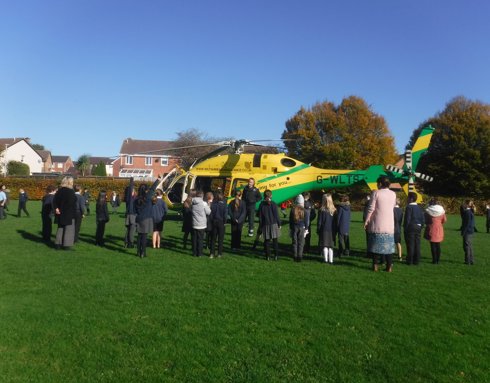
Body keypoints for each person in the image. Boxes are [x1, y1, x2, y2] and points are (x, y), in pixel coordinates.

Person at [364, 176, 396, 272]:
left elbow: (371, 208)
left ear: (380, 184)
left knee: (375, 246)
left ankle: (375, 265)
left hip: (377, 223)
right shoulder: (393, 194)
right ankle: (389, 266)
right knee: (389, 248)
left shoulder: (376, 193)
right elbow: (393, 206)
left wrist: (367, 220)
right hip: (389, 224)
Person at [135, 176, 161, 258]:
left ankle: (138, 252)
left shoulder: (137, 199)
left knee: (139, 236)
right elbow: (153, 188)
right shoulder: (148, 197)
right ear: (146, 190)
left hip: (139, 219)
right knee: (144, 237)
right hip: (146, 219)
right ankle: (143, 253)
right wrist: (158, 180)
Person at [53, 176, 77, 250]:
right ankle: (66, 245)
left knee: (60, 228)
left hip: (60, 212)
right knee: (69, 229)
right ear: (70, 183)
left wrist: (56, 208)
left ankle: (58, 243)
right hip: (68, 213)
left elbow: (54, 201)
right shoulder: (71, 191)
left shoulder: (59, 191)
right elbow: (72, 202)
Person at [258, 189, 281, 261]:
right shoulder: (273, 204)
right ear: (271, 195)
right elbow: (276, 215)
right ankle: (276, 255)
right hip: (274, 224)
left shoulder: (261, 204)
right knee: (275, 241)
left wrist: (261, 226)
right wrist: (279, 224)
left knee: (267, 241)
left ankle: (268, 256)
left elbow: (260, 216)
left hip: (265, 224)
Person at [403, 192, 425, 265]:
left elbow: (407, 219)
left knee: (411, 244)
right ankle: (417, 260)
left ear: (411, 199)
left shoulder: (409, 207)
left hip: (411, 226)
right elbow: (422, 218)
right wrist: (421, 226)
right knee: (417, 244)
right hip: (418, 226)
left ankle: (410, 261)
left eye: (408, 197)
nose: (407, 199)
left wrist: (405, 228)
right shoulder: (420, 207)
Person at [424, 198, 447, 264]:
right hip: (439, 228)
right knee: (438, 245)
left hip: (431, 228)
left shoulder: (428, 211)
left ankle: (434, 260)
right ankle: (438, 260)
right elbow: (444, 220)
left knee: (433, 245)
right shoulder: (441, 210)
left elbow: (425, 220)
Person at [317, 193, 336, 264]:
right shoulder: (334, 210)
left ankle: (325, 260)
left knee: (325, 245)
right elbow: (335, 222)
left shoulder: (321, 210)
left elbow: (319, 222)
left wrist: (318, 229)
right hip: (332, 230)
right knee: (331, 246)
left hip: (324, 230)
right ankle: (331, 260)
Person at [191, 190, 211, 257]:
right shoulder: (204, 203)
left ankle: (194, 253)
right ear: (202, 196)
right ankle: (199, 253)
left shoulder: (192, 202)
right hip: (201, 224)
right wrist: (208, 205)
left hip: (194, 223)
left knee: (194, 239)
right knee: (200, 239)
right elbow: (208, 212)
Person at [210, 190, 227, 258]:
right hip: (221, 222)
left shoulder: (213, 204)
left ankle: (211, 253)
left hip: (214, 221)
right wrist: (225, 222)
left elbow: (211, 214)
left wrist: (212, 220)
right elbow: (225, 215)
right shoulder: (224, 205)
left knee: (213, 239)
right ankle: (219, 253)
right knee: (220, 239)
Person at [289, 195, 306, 262]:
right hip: (301, 227)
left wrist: (290, 228)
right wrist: (306, 227)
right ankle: (300, 256)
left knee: (294, 242)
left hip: (294, 227)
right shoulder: (304, 210)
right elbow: (306, 220)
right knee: (301, 243)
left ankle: (295, 256)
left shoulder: (293, 210)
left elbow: (290, 220)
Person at [124, 178, 137, 248]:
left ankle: (126, 242)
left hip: (128, 214)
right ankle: (130, 243)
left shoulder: (128, 198)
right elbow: (131, 187)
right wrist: (132, 180)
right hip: (132, 215)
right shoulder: (131, 198)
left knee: (128, 229)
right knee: (132, 230)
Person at [461, 200, 475, 265]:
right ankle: (471, 260)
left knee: (466, 246)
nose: (462, 205)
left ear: (467, 205)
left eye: (464, 204)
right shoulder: (470, 211)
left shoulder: (467, 212)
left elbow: (466, 223)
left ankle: (468, 260)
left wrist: (463, 232)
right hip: (470, 230)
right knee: (469, 246)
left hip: (467, 231)